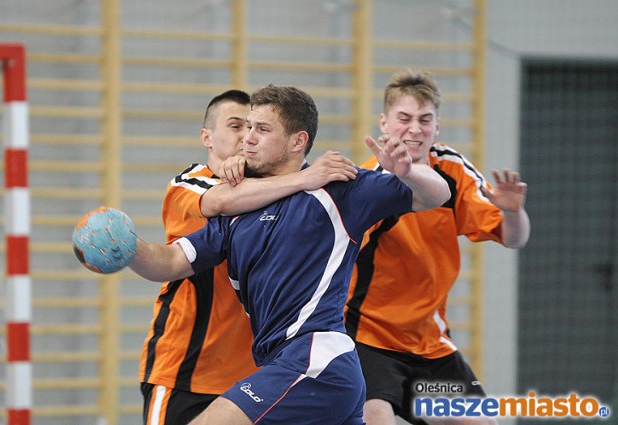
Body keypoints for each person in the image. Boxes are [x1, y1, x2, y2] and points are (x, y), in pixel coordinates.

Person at [83, 84, 450, 424]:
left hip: (315, 360)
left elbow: (438, 194)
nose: (247, 139)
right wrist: (129, 249)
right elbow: (172, 261)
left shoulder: (339, 191)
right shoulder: (238, 210)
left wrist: (410, 173)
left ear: (297, 141)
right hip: (287, 365)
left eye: (261, 129)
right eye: (245, 128)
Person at [140, 89, 361, 424]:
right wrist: (304, 176)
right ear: (207, 138)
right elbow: (219, 203)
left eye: (256, 128)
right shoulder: (192, 183)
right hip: (187, 367)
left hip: (255, 371)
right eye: (236, 126)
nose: (246, 137)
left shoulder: (285, 194)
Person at [344, 69, 531, 425]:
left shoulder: (453, 170)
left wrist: (513, 212)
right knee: (374, 417)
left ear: (437, 127)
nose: (414, 129)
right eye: (404, 118)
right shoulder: (369, 183)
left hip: (429, 342)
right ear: (384, 124)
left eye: (424, 120)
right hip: (368, 338)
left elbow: (515, 238)